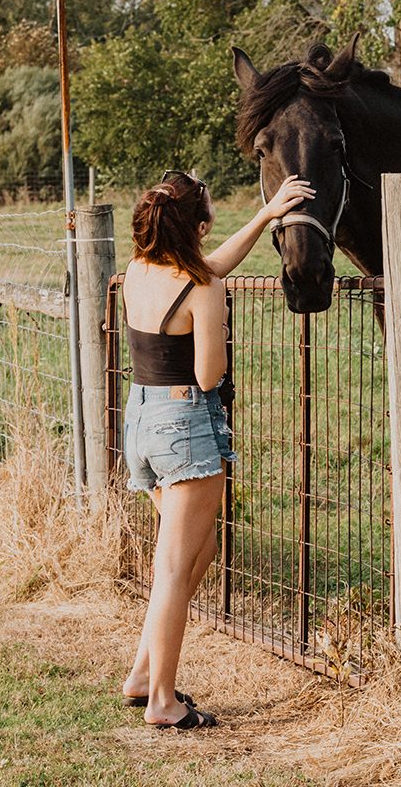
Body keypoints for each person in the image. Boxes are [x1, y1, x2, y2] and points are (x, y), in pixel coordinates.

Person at [118, 168, 314, 729]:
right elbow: (209, 374)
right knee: (177, 567)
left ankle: (141, 674)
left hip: (143, 424)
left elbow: (208, 268)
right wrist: (219, 327)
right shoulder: (204, 288)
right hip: (186, 428)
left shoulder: (139, 270)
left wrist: (265, 214)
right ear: (200, 225)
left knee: (194, 553)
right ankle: (162, 701)